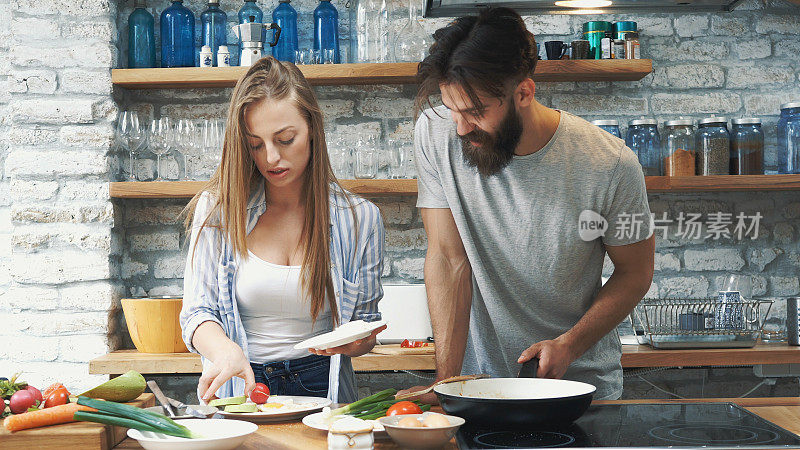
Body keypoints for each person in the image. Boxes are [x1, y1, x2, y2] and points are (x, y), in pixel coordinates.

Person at [399, 8, 655, 402]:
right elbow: (449, 259)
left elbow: (634, 274)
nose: (461, 128)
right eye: (452, 110)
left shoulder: (611, 164)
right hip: (476, 389)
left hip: (577, 389)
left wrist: (569, 344)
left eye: (476, 112)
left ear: (523, 93)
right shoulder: (435, 134)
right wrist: (446, 383)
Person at [179, 57, 386, 404]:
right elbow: (197, 313)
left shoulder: (360, 218)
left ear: (312, 128)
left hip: (325, 388)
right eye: (255, 144)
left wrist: (360, 341)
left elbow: (366, 327)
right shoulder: (218, 210)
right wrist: (225, 351)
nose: (271, 157)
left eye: (285, 139)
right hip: (244, 385)